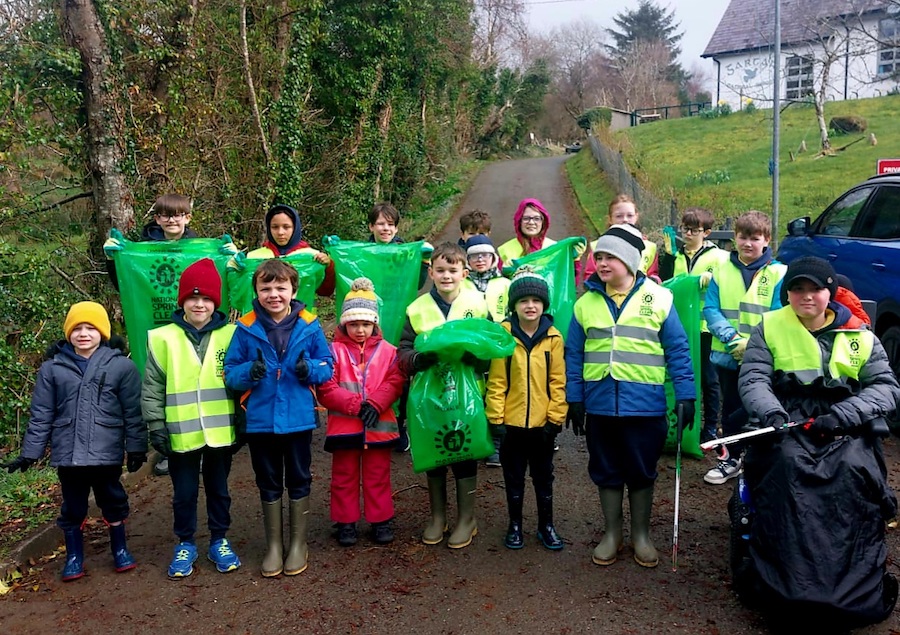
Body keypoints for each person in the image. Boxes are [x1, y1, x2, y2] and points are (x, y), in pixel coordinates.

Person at [736, 256, 900, 631]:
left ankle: (846, 583)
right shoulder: (770, 328)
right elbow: (754, 379)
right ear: (787, 293)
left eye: (815, 289)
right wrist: (772, 414)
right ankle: (785, 582)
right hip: (788, 418)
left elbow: (886, 387)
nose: (806, 296)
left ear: (831, 292)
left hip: (844, 420)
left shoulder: (860, 334)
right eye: (797, 289)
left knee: (852, 470)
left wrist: (845, 415)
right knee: (787, 468)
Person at [565, 224, 695, 568]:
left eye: (611, 257)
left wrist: (686, 395)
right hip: (600, 405)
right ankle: (612, 534)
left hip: (645, 406)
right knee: (606, 469)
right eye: (599, 257)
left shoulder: (660, 299)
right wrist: (575, 398)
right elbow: (574, 354)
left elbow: (678, 349)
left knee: (640, 470)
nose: (603, 263)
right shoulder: (585, 304)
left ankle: (641, 535)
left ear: (631, 261)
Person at [1, 302, 146, 581]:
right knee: (73, 505)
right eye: (77, 328)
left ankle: (120, 548)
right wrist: (30, 453)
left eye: (90, 327)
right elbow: (42, 413)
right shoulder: (52, 369)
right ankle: (74, 556)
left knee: (113, 499)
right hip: (69, 453)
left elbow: (132, 411)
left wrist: (137, 446)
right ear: (68, 333)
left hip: (107, 451)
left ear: (102, 332)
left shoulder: (121, 367)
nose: (83, 333)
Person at [224, 259, 334, 577]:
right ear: (256, 291)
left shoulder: (310, 325)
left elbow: (328, 364)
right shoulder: (245, 328)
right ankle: (274, 545)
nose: (274, 294)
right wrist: (250, 372)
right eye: (266, 288)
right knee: (268, 479)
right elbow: (230, 374)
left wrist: (309, 370)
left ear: (293, 290)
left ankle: (298, 544)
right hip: (260, 420)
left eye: (280, 287)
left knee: (299, 477)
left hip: (299, 418)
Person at [142, 258, 242, 579]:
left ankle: (219, 539)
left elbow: (241, 382)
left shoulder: (232, 335)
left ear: (216, 302)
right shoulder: (162, 338)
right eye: (193, 298)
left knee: (219, 489)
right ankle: (185, 543)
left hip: (220, 432)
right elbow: (152, 387)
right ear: (182, 300)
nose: (199, 304)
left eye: (207, 299)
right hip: (180, 434)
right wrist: (156, 426)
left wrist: (243, 418)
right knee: (183, 493)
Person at [398, 242, 489, 549]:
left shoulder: (478, 305)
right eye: (440, 270)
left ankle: (467, 518)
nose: (446, 276)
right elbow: (403, 350)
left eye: (453, 270)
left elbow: (489, 349)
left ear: (465, 272)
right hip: (429, 396)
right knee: (435, 453)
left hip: (467, 393)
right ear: (431, 272)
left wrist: (475, 359)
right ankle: (438, 517)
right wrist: (417, 361)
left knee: (465, 451)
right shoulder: (418, 308)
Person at [105, 193, 199, 477]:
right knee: (162, 385)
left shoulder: (199, 248)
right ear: (157, 218)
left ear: (187, 217)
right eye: (165, 215)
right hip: (157, 328)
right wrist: (115, 259)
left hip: (192, 326)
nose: (172, 219)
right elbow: (125, 283)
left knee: (192, 381)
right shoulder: (140, 251)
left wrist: (228, 256)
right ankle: (167, 448)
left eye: (178, 214)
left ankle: (198, 444)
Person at [316, 278, 405, 547]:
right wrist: (357, 406)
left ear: (374, 324)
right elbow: (326, 388)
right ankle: (345, 522)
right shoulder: (333, 351)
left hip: (379, 428)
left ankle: (381, 520)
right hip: (345, 428)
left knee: (378, 477)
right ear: (344, 324)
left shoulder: (390, 351)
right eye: (354, 324)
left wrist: (376, 404)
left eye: (366, 324)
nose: (360, 330)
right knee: (344, 478)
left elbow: (396, 381)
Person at [485, 268, 566, 550]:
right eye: (523, 301)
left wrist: (555, 419)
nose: (530, 306)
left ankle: (546, 524)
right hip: (512, 423)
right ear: (513, 305)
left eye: (536, 300)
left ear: (544, 304)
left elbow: (558, 381)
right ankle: (515, 524)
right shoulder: (504, 338)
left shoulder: (554, 338)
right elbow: (497, 381)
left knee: (543, 476)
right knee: (513, 476)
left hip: (543, 425)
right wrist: (496, 419)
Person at [702, 210, 786, 485]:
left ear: (767, 240)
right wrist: (733, 339)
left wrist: (752, 345)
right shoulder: (721, 271)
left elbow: (779, 313)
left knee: (763, 407)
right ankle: (731, 457)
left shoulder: (778, 273)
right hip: (727, 356)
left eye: (755, 238)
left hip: (763, 358)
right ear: (735, 238)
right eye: (742, 237)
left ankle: (762, 459)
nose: (747, 243)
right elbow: (711, 309)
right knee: (731, 410)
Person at [658, 207, 729, 443]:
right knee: (676, 375)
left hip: (705, 329)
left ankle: (709, 427)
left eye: (694, 230)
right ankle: (674, 426)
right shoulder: (676, 256)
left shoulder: (718, 257)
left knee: (708, 379)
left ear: (706, 232)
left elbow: (724, 286)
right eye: (684, 229)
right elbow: (667, 285)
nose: (688, 233)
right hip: (678, 326)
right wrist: (667, 259)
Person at [366, 201, 428, 453]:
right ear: (371, 226)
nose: (385, 228)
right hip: (370, 317)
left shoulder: (405, 251)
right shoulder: (363, 251)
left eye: (390, 224)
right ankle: (371, 420)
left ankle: (399, 425)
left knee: (398, 372)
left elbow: (418, 283)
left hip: (399, 316)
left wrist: (422, 261)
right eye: (380, 223)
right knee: (370, 370)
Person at [461, 234, 510, 467]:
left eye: (484, 255)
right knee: (473, 393)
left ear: (493, 258)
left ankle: (497, 444)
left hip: (498, 347)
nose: (480, 260)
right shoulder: (461, 284)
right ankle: (476, 440)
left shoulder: (505, 284)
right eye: (474, 256)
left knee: (497, 393)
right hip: (470, 348)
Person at [246, 204, 336, 297]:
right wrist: (233, 269)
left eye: (286, 227)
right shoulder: (253, 257)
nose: (280, 232)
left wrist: (329, 266)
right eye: (275, 227)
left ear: (295, 228)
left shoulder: (312, 256)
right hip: (261, 312)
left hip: (302, 311)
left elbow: (326, 291)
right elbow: (241, 294)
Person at [581, 194, 659, 284]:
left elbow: (653, 274)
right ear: (610, 219)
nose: (625, 220)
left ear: (636, 217)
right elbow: (589, 277)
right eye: (619, 216)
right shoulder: (597, 246)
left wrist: (654, 280)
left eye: (630, 215)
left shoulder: (650, 247)